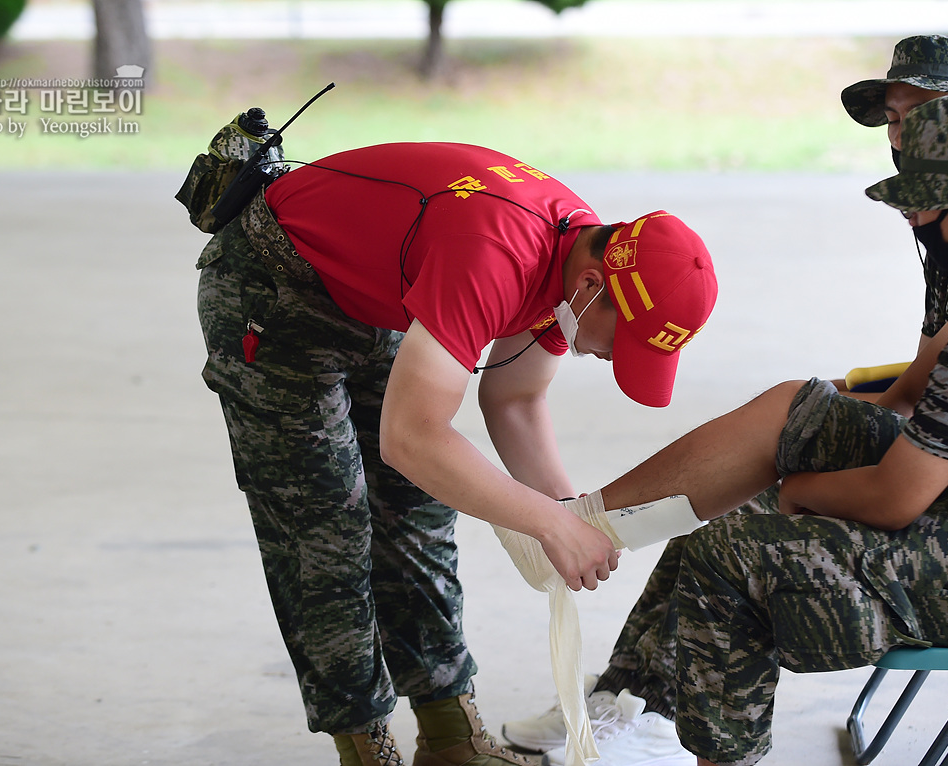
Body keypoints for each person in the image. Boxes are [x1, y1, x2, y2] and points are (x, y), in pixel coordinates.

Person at [500, 33, 948, 766]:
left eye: (920, 116)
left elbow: (899, 496)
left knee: (734, 541)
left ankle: (692, 741)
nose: (902, 149)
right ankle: (620, 641)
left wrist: (797, 490)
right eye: (896, 119)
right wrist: (810, 428)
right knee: (794, 409)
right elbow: (919, 395)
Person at [194, 140, 717, 765]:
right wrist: (545, 523)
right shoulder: (497, 253)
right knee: (324, 527)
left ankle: (452, 738)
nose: (611, 358)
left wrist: (570, 517)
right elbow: (412, 437)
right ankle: (363, 745)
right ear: (591, 285)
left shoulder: (576, 261)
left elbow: (514, 400)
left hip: (371, 293)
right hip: (275, 284)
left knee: (416, 512)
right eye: (621, 341)